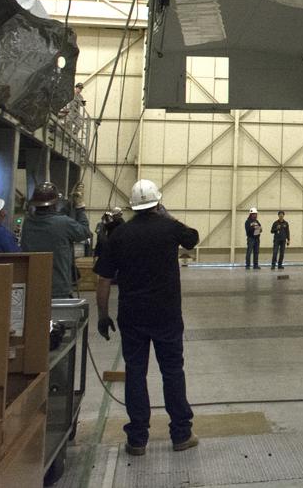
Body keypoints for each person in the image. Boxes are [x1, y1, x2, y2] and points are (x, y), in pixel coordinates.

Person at [94, 179, 201, 456]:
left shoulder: (119, 235)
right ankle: (181, 434)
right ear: (157, 203)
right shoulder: (169, 228)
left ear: (133, 205)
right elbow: (192, 238)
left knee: (136, 374)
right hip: (166, 314)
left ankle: (138, 439)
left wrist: (103, 316)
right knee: (172, 371)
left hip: (132, 316)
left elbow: (103, 279)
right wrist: (168, 216)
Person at [20, 181, 90, 297]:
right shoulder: (63, 223)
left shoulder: (28, 223)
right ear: (55, 204)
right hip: (58, 288)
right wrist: (80, 208)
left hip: (33, 286)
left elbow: (54, 218)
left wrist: (69, 205)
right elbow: (84, 232)